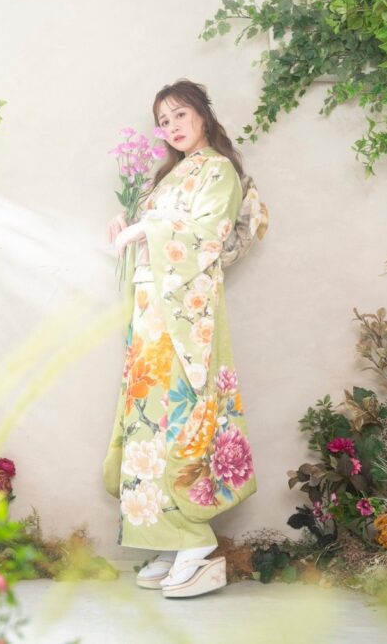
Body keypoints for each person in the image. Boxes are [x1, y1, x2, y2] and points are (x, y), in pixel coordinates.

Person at [102, 80, 257, 599]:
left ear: (203, 116)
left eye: (180, 115)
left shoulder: (218, 170)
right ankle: (166, 541)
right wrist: (128, 228)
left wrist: (147, 230)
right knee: (148, 417)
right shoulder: (169, 178)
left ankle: (194, 540)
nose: (171, 127)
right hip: (152, 309)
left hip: (186, 314)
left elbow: (209, 235)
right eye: (163, 121)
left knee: (179, 414)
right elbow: (154, 237)